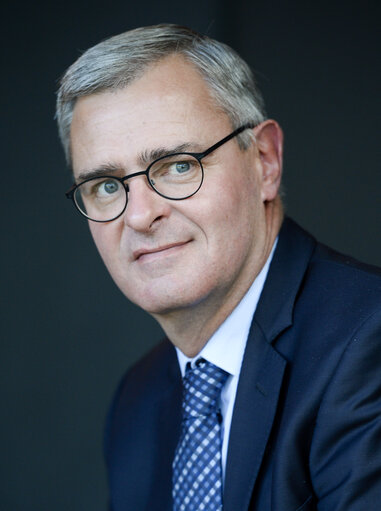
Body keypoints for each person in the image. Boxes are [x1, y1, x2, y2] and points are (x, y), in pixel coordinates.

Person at [56, 24, 381, 511]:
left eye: (178, 165)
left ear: (265, 162)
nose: (140, 215)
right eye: (105, 185)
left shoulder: (368, 341)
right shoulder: (137, 403)